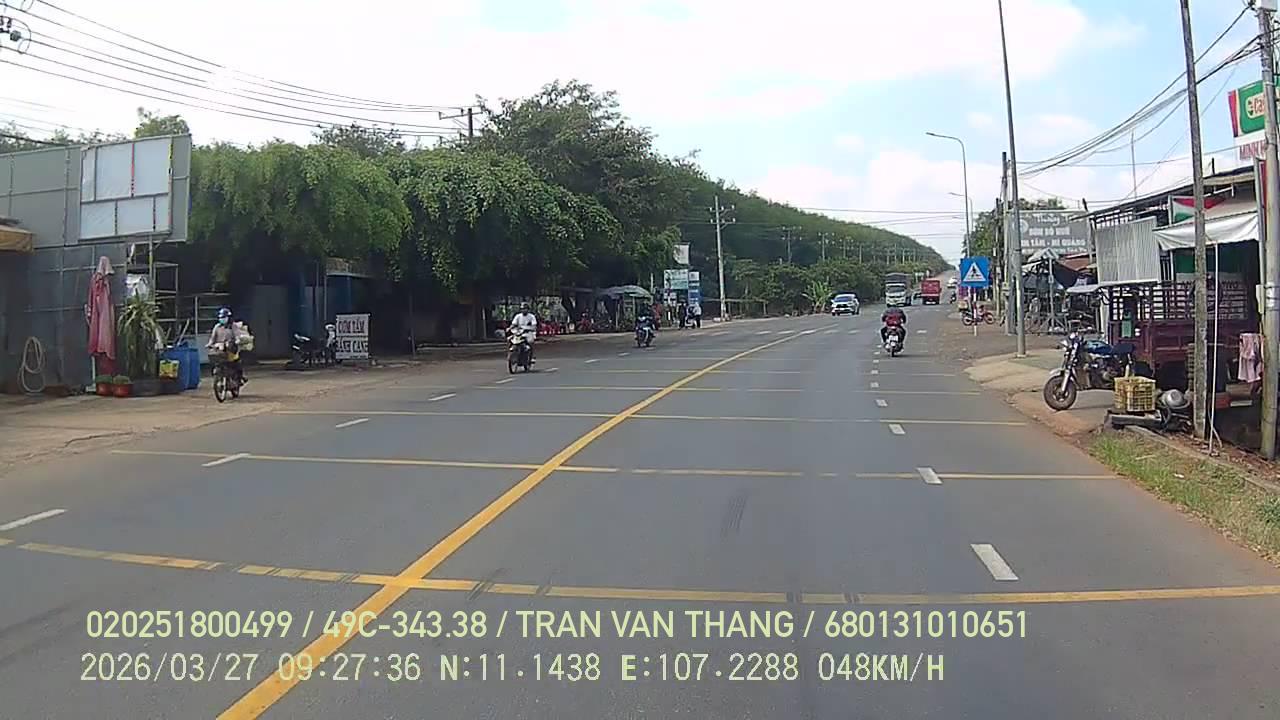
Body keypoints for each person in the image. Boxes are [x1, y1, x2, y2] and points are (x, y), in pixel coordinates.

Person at [206, 307, 245, 384]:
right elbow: (212, 338)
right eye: (221, 318)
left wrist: (237, 340)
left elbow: (237, 334)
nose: (222, 319)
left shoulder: (233, 326)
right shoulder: (217, 327)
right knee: (215, 360)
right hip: (220, 349)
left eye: (224, 317)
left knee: (236, 363)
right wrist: (210, 344)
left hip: (231, 348)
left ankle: (240, 378)